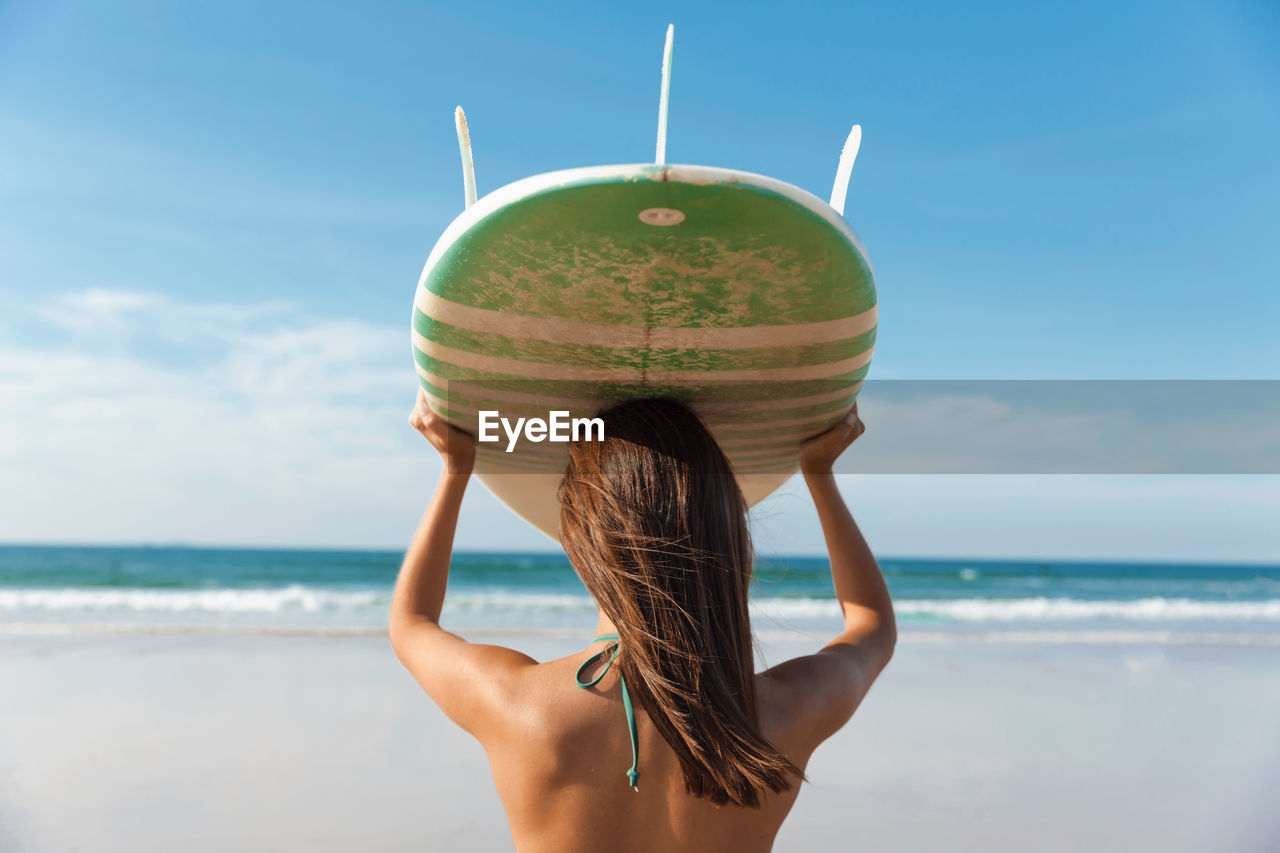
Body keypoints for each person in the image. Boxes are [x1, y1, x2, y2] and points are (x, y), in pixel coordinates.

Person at [390, 390, 896, 853]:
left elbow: (411, 622)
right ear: (730, 542)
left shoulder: (520, 707)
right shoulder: (786, 712)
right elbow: (872, 625)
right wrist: (819, 476)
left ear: (581, 542)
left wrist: (455, 470)